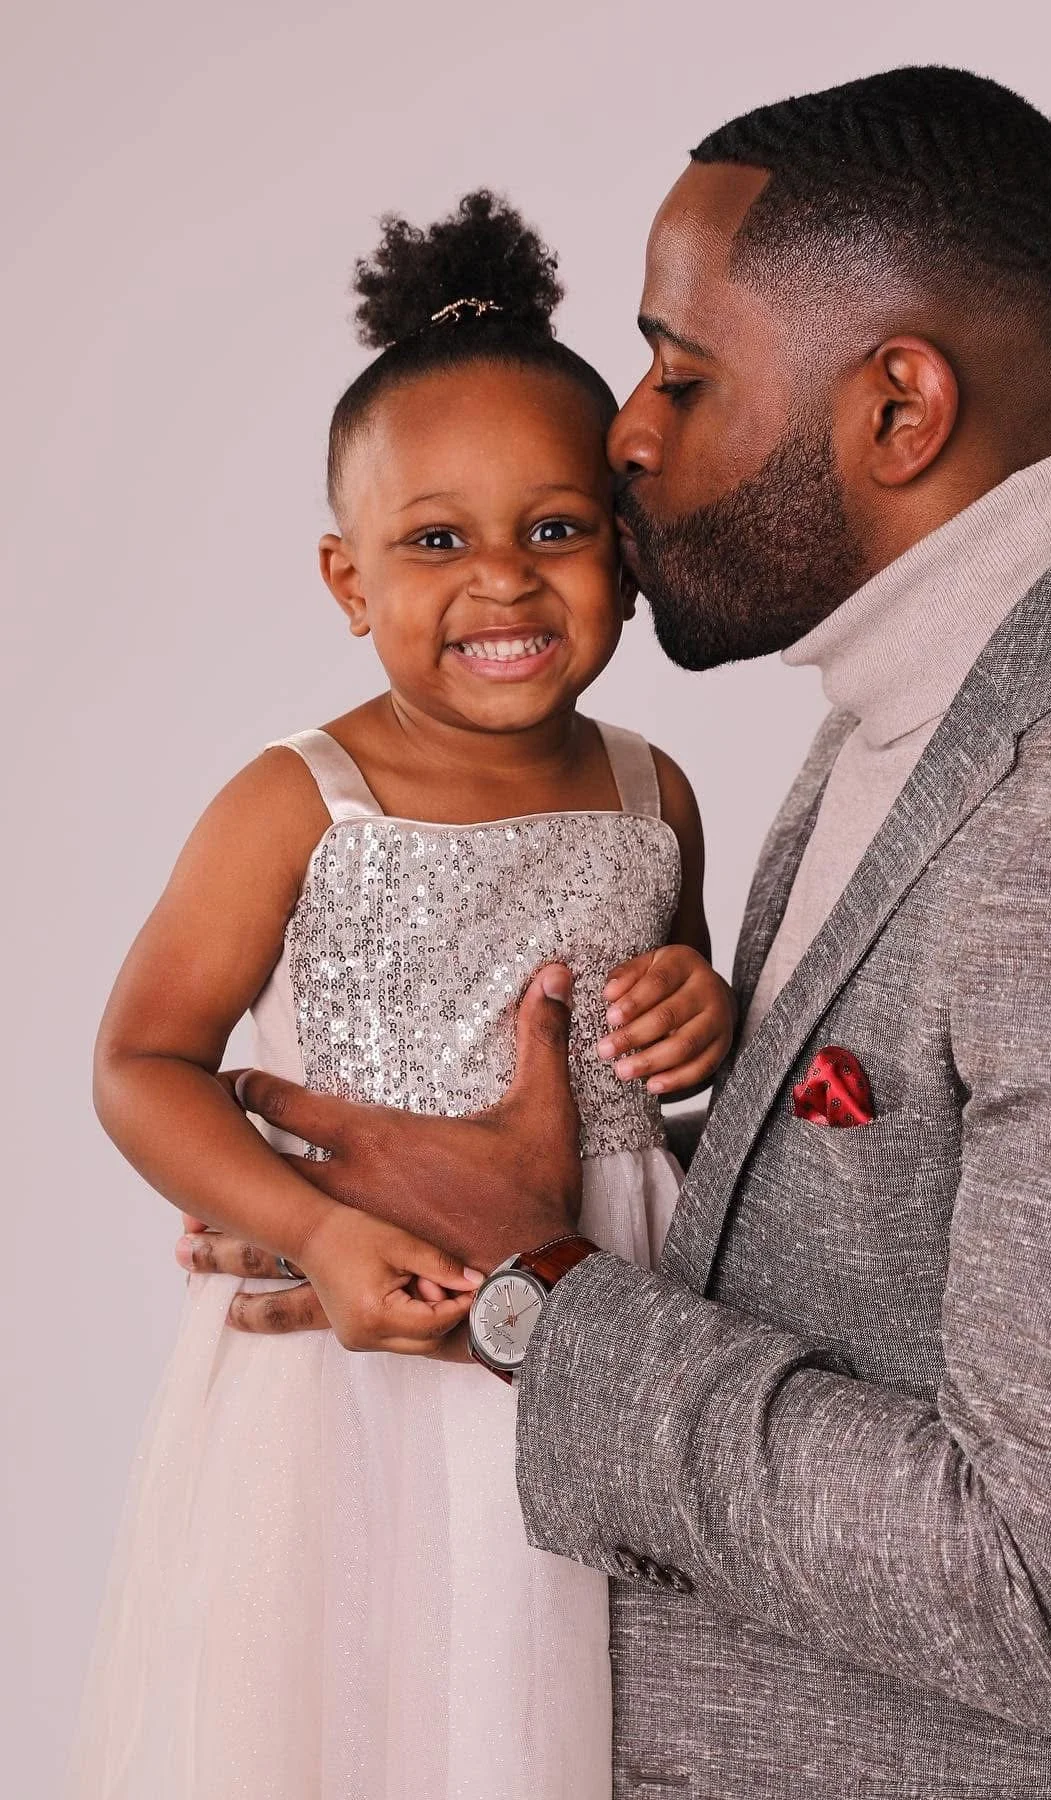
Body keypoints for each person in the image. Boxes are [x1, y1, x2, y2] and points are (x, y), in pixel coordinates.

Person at [184, 68, 1051, 1800]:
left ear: (900, 406)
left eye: (681, 374)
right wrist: (446, 1172)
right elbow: (892, 1217)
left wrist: (546, 1287)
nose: (621, 432)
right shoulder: (906, 715)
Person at [69, 190, 736, 1800]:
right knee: (365, 1713)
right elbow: (141, 1061)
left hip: (599, 1324)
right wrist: (308, 1228)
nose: (503, 582)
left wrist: (700, 1014)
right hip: (352, 1360)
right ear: (346, 577)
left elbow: (680, 1078)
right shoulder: (299, 800)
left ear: (630, 561)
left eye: (557, 529)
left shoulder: (659, 794)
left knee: (575, 1715)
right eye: (437, 540)